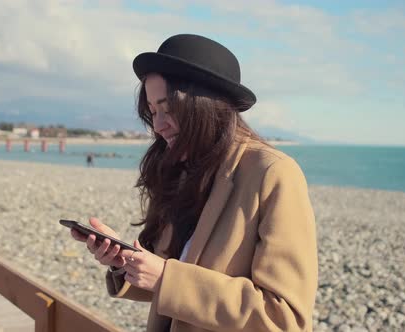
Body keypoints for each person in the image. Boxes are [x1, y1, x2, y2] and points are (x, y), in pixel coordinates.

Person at [70, 34, 318, 331]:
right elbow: (168, 274)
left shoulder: (273, 173)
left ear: (205, 105)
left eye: (168, 108)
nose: (159, 126)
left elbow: (284, 318)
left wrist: (165, 278)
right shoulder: (184, 168)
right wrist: (124, 261)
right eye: (153, 112)